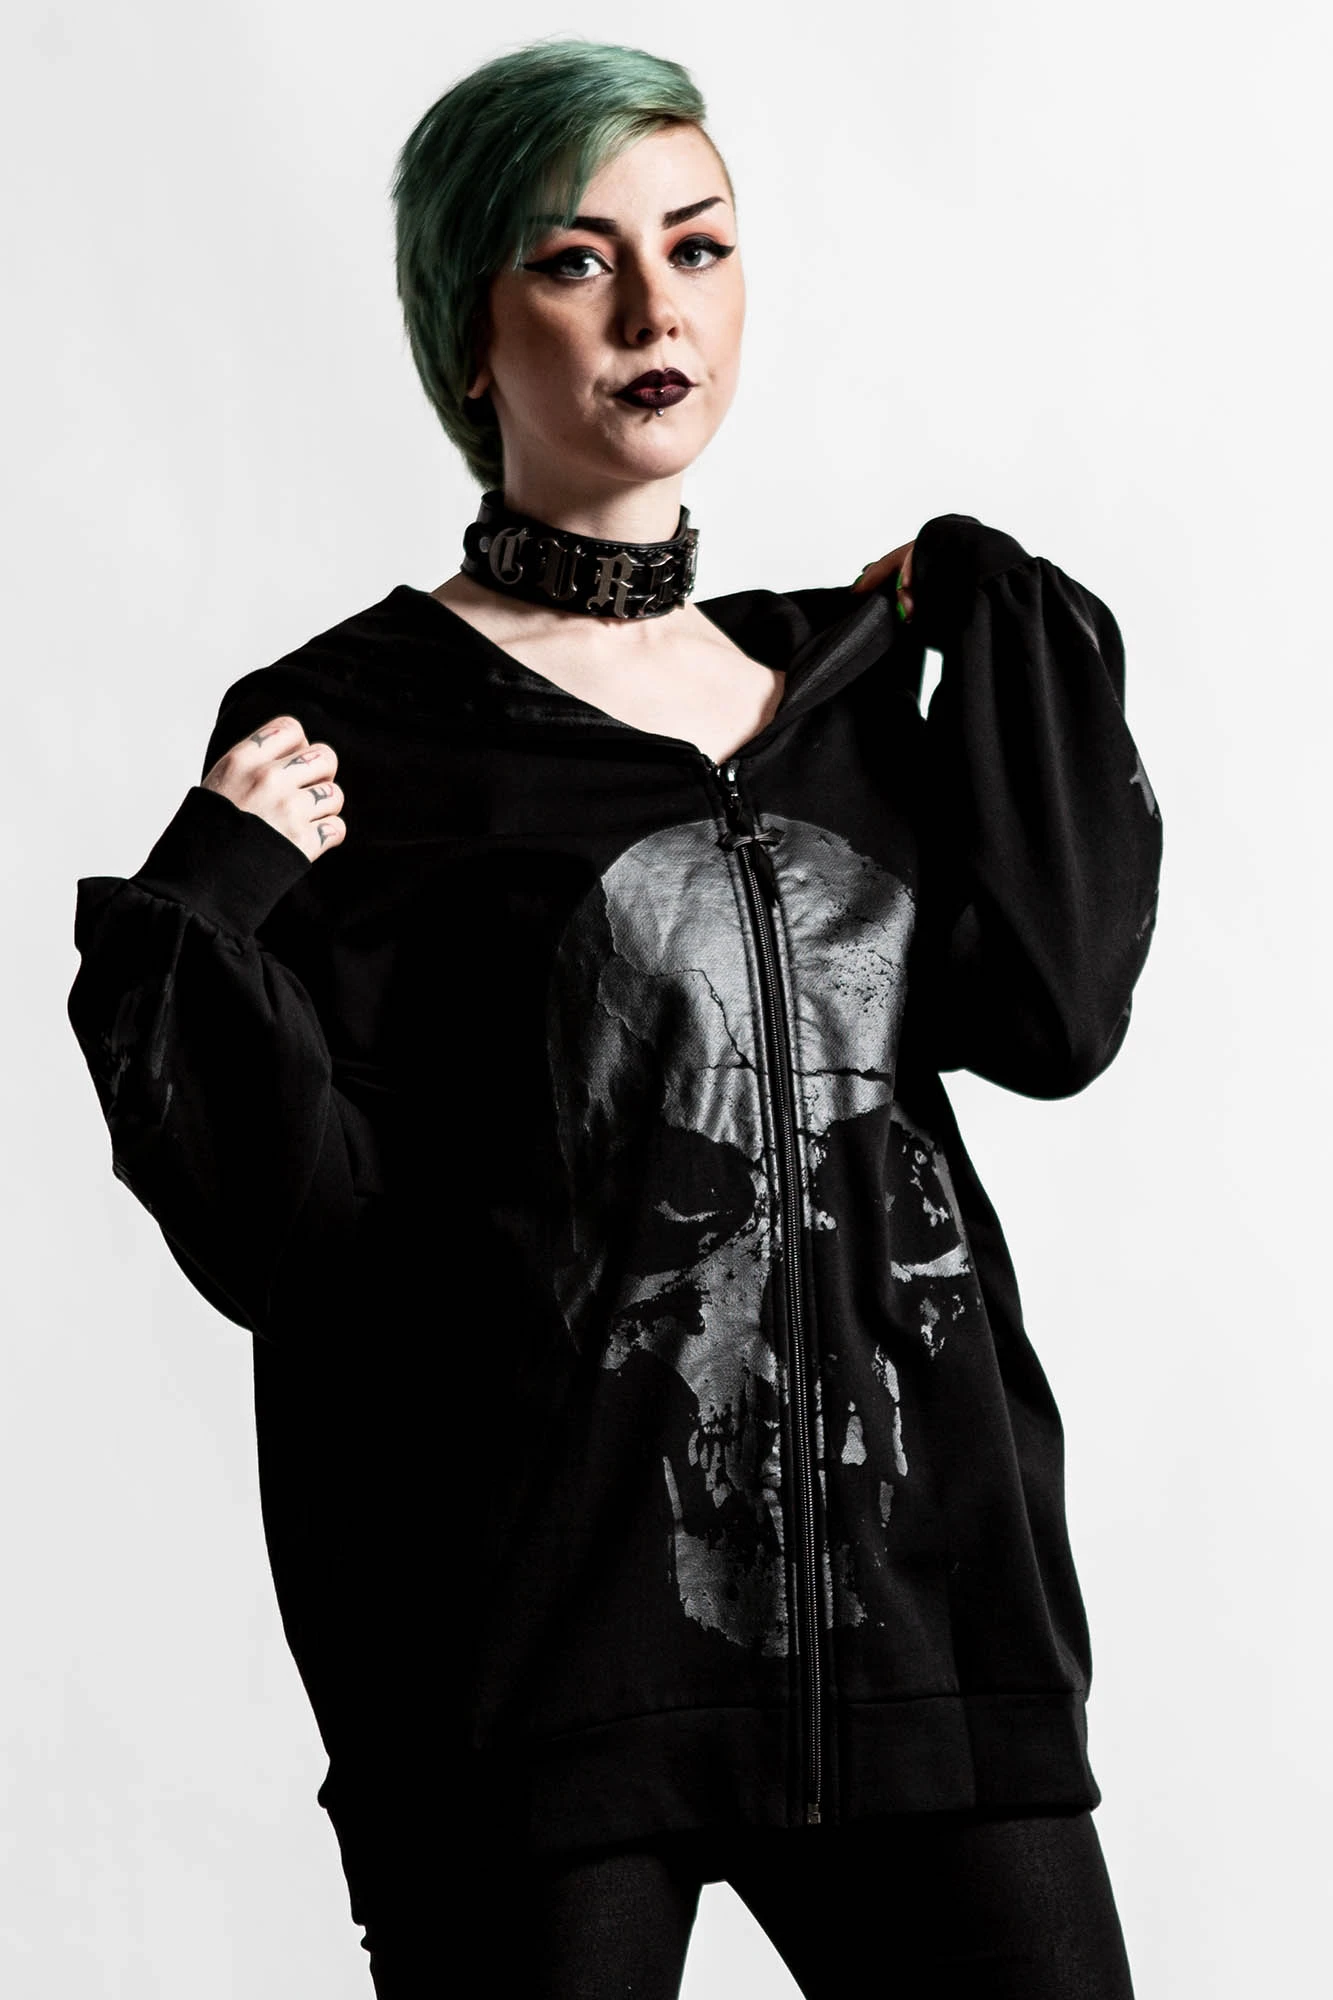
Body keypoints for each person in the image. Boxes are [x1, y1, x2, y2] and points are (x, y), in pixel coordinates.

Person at [66, 36, 1163, 1999]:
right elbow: (294, 1238)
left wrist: (998, 629)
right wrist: (203, 908)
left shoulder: (844, 694)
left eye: (700, 246)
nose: (658, 310)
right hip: (538, 1680)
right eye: (577, 261)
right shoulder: (355, 727)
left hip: (919, 1627)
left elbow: (1053, 1016)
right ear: (470, 333)